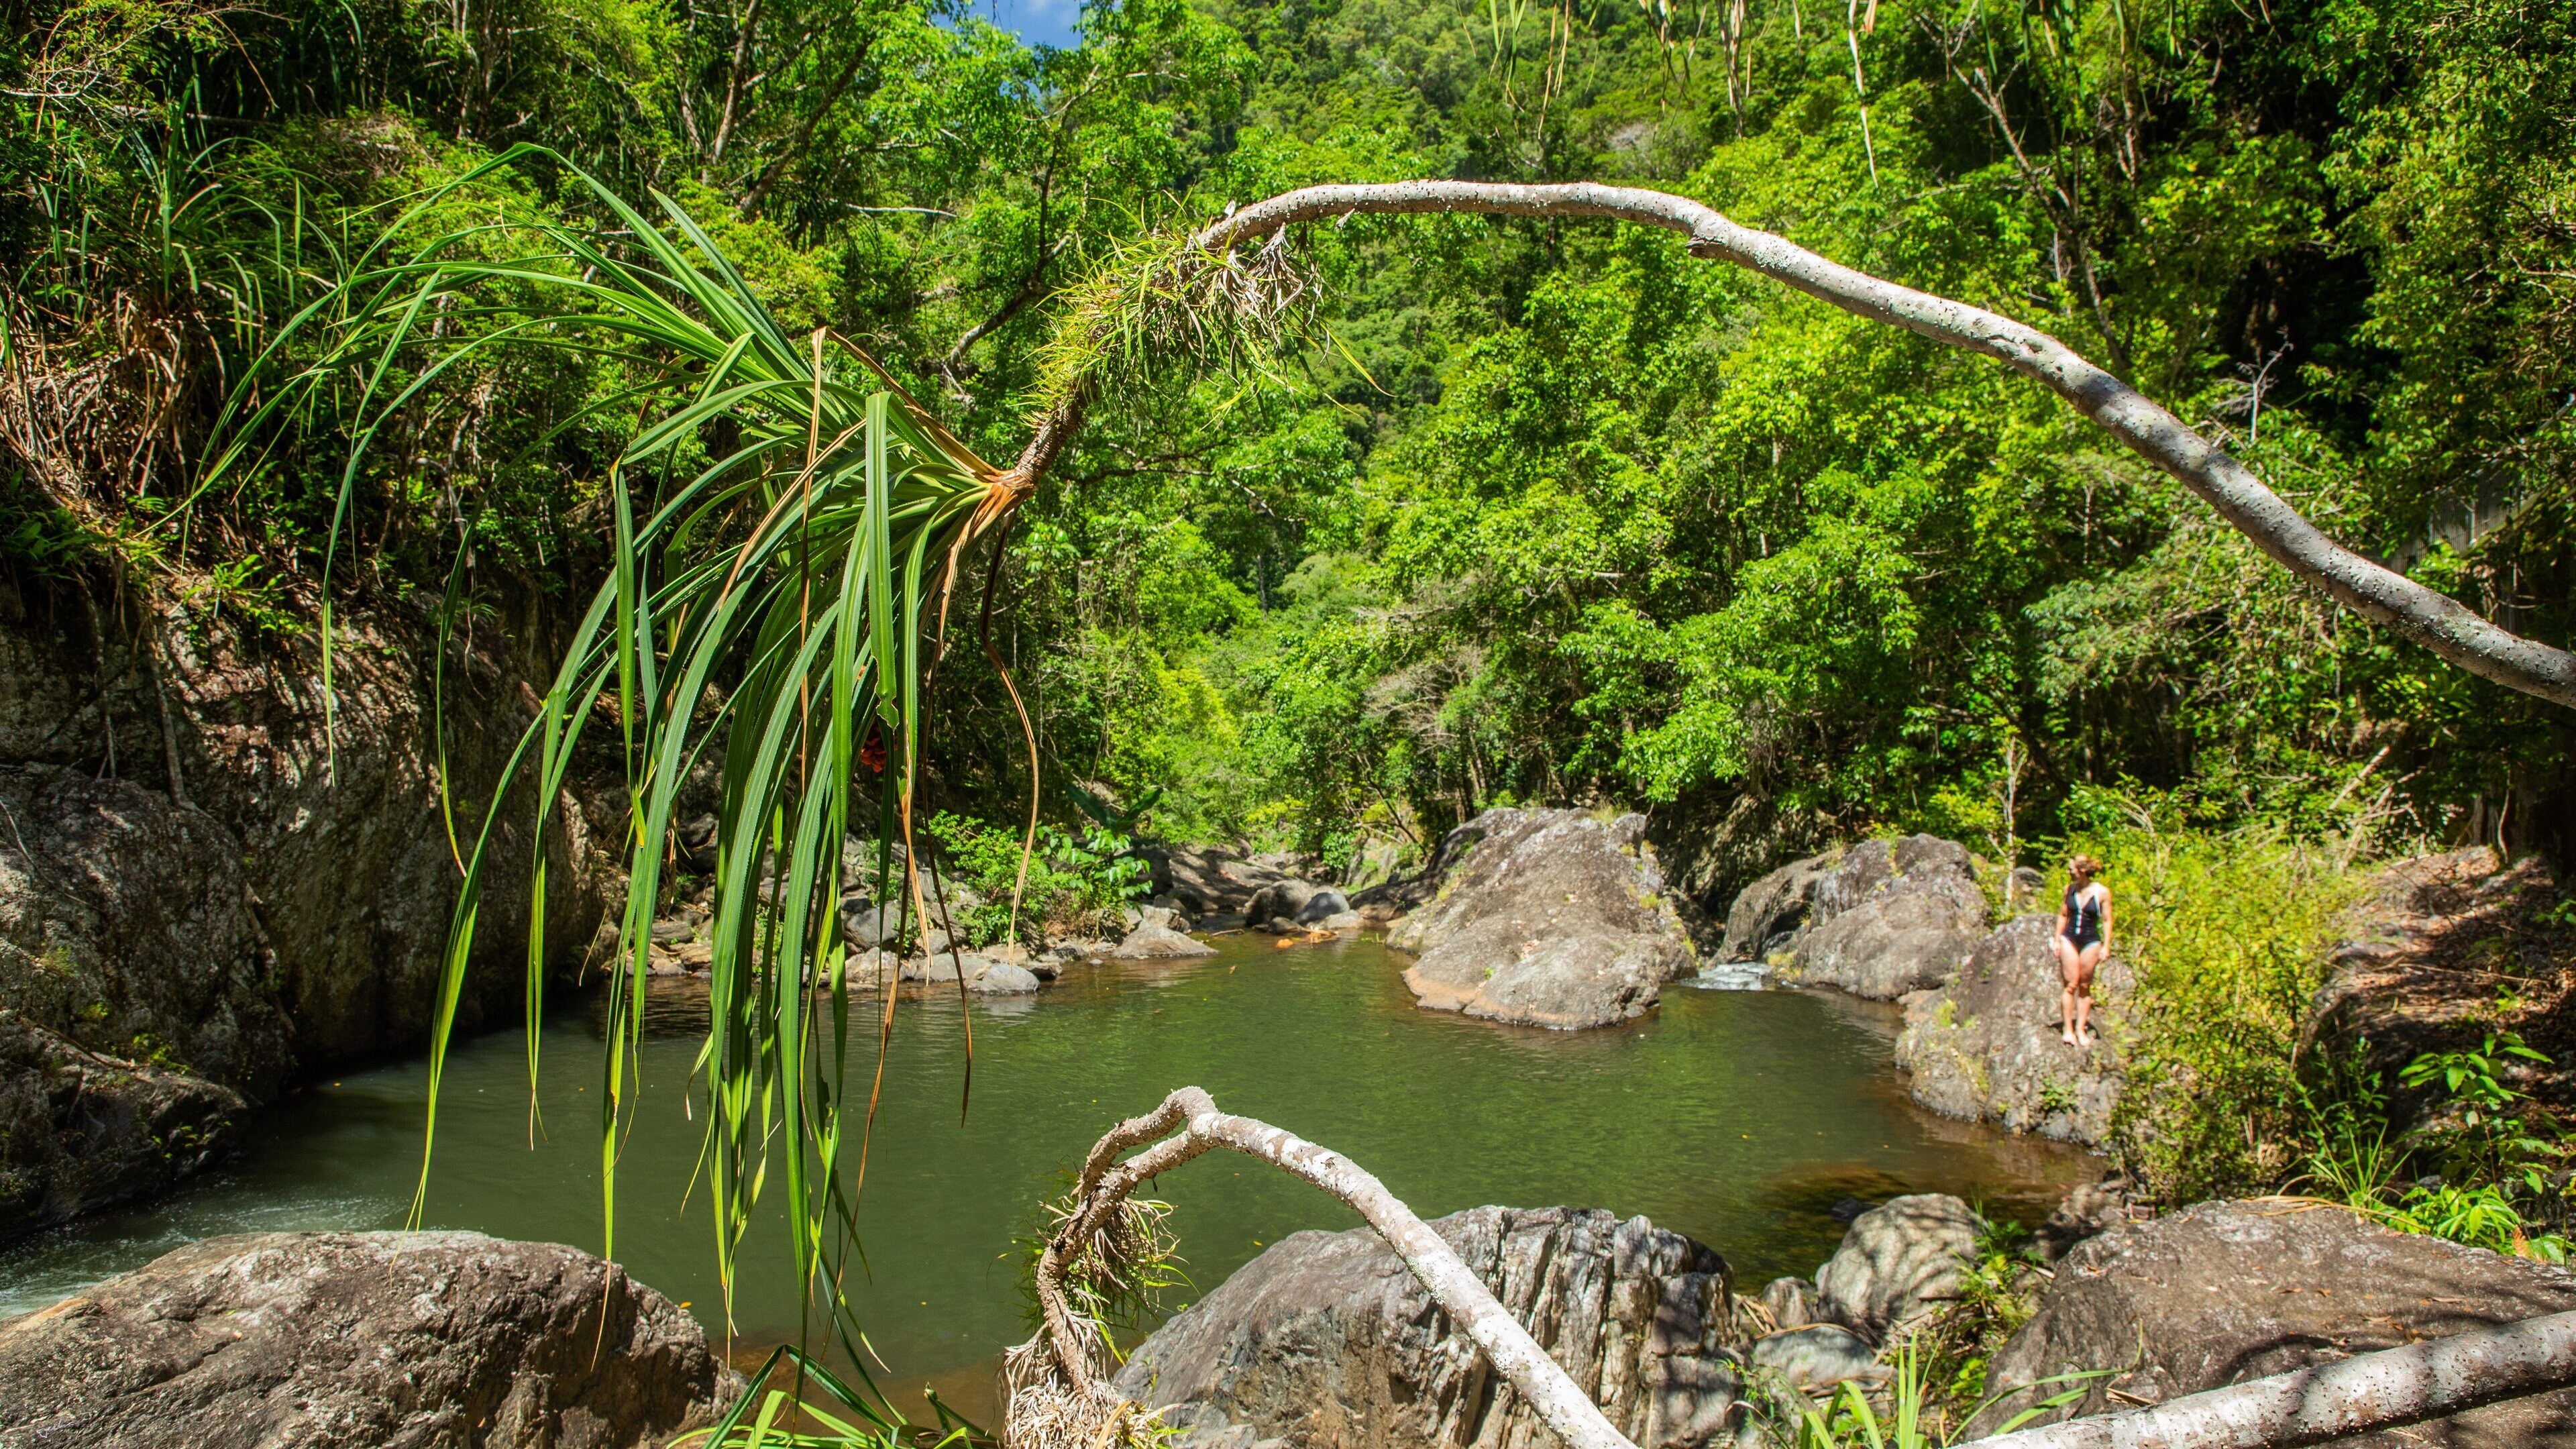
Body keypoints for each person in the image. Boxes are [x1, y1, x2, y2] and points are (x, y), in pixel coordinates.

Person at [2054, 855, 2111, 1049]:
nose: (2068, 872)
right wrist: (2056, 940)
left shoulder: (2102, 892)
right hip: (2069, 938)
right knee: (2070, 984)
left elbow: (2107, 920)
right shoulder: (2068, 890)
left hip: (2091, 940)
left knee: (2085, 985)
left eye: (2071, 869)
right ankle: (2068, 1029)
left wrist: (2107, 946)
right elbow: (2063, 915)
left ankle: (2080, 1028)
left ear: (2082, 870)